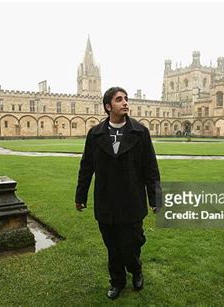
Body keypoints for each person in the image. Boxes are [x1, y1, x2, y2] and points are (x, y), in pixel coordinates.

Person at [75, 86, 161, 300]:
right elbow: (86, 167)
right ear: (108, 106)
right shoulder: (95, 134)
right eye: (119, 99)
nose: (125, 102)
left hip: (132, 200)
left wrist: (155, 197)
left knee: (131, 244)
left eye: (126, 99)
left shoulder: (140, 132)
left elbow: (150, 168)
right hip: (106, 201)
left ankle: (136, 269)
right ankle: (117, 281)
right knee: (113, 247)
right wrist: (80, 196)